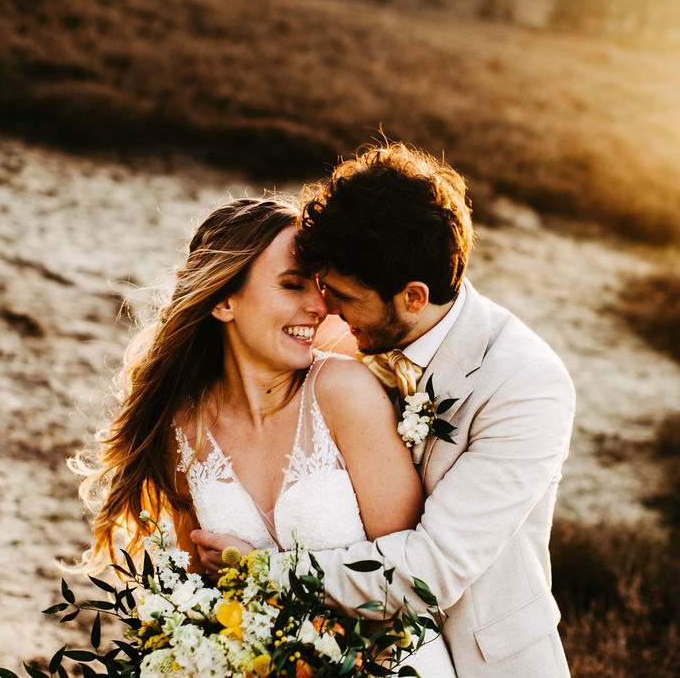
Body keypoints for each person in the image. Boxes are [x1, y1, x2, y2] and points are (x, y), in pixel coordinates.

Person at [192, 143, 576, 677]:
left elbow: (431, 570)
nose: (327, 308)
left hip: (480, 661)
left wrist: (264, 573)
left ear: (413, 298)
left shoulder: (524, 385)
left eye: (342, 295)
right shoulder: (338, 327)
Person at [71, 197, 457, 676]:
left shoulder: (342, 392)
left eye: (318, 286)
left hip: (394, 665)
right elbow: (202, 597)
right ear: (223, 300)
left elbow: (408, 585)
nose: (319, 306)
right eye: (292, 284)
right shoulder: (181, 431)